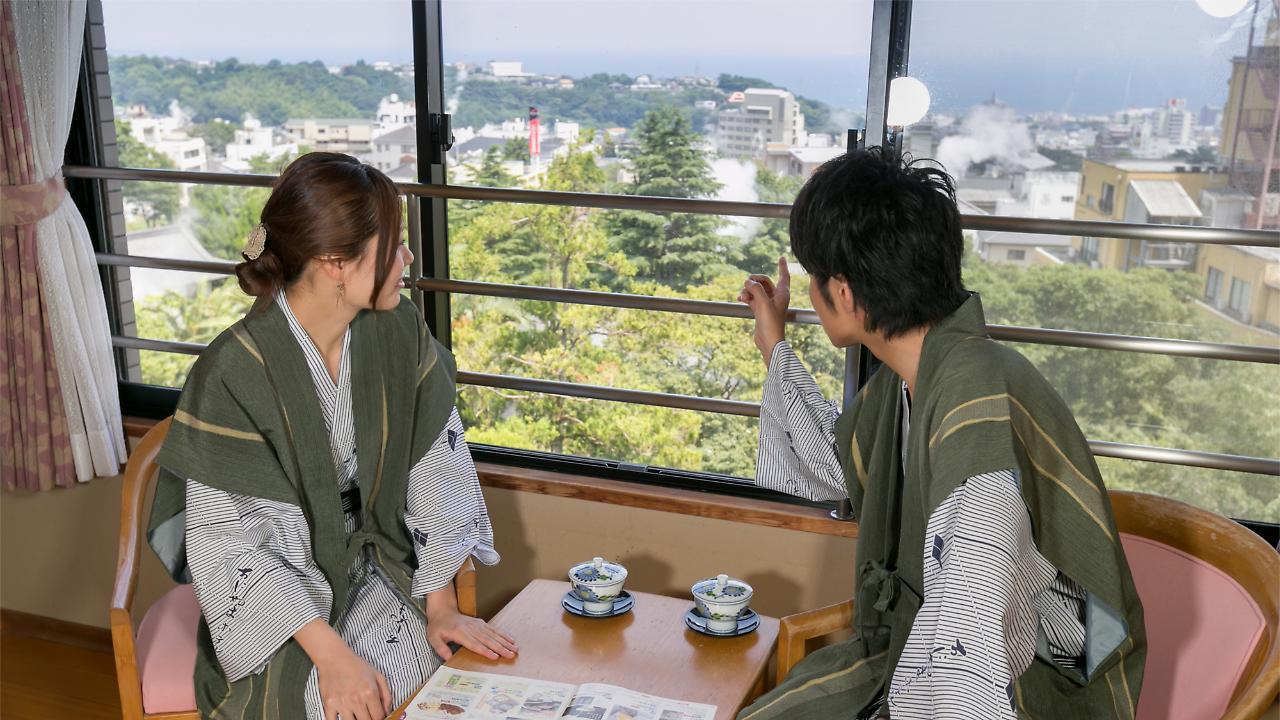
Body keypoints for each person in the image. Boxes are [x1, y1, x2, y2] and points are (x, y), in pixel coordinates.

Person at [735, 148, 1145, 719]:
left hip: (1034, 688)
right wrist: (772, 344)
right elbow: (842, 464)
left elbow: (967, 669)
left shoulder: (974, 420)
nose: (809, 292)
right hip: (951, 654)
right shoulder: (933, 369)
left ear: (845, 294)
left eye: (813, 277)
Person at [147, 152, 517, 720]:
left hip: (379, 570)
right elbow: (231, 547)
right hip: (287, 609)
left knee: (438, 683)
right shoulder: (234, 372)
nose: (408, 259)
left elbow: (437, 469)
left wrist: (441, 604)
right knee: (340, 701)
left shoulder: (397, 330)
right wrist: (332, 657)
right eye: (393, 246)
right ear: (334, 263)